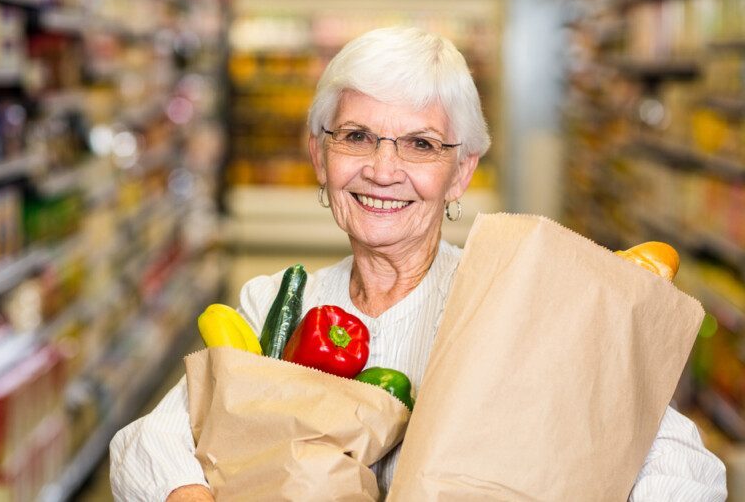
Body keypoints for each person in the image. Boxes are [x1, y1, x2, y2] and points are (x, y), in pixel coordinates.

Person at [109, 26, 727, 501]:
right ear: (319, 158)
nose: (382, 169)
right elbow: (146, 442)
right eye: (355, 136)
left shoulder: (517, 300)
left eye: (421, 145)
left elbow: (684, 465)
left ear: (461, 173)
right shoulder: (272, 305)